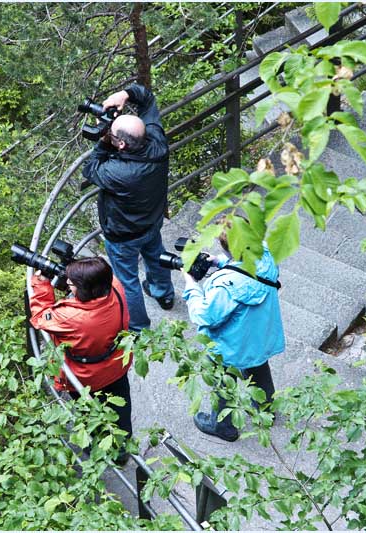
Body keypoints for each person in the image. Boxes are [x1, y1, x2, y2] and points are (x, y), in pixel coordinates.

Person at [82, 83, 175, 332]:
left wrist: (103, 142)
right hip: (152, 221)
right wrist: (125, 95)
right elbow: (147, 100)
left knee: (128, 280)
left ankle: (139, 326)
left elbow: (89, 169)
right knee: (156, 256)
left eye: (113, 135)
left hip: (123, 234)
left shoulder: (118, 173)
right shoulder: (157, 143)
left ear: (121, 145)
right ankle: (163, 293)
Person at [182, 229, 284, 442]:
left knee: (223, 380)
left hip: (231, 344)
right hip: (259, 334)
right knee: (258, 366)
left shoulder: (226, 286)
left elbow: (205, 316)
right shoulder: (267, 253)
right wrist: (220, 262)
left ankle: (222, 426)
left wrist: (191, 285)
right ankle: (266, 412)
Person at [28, 256, 133, 461]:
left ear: (84, 289)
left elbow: (40, 316)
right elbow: (100, 276)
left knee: (87, 411)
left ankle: (94, 444)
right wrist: (77, 267)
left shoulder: (69, 317)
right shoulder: (116, 288)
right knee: (121, 409)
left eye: (71, 284)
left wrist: (41, 283)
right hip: (115, 365)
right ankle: (122, 450)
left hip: (84, 377)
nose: (68, 285)